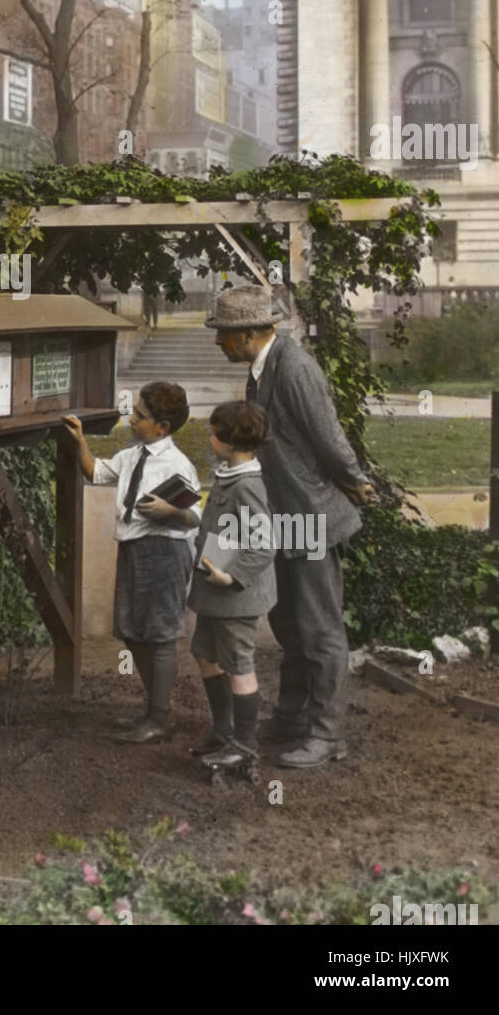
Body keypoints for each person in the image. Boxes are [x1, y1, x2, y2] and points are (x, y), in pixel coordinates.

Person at [207, 285, 376, 768]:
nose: (219, 344)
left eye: (223, 335)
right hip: (282, 517)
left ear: (247, 334)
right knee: (288, 623)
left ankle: (327, 736)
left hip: (312, 517)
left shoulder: (295, 367)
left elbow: (328, 434)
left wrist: (355, 481)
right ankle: (291, 717)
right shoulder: (260, 372)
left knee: (320, 629)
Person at [63, 382, 200, 743]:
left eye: (140, 416)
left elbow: (194, 518)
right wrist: (80, 442)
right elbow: (94, 472)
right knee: (132, 631)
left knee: (160, 634)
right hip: (134, 550)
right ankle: (156, 710)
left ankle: (159, 717)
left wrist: (170, 510)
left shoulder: (178, 465)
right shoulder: (131, 456)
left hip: (165, 552)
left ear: (163, 427)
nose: (132, 419)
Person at [188, 400, 277, 771]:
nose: (210, 437)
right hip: (215, 593)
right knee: (204, 654)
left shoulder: (246, 486)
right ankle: (224, 731)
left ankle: (244, 744)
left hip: (235, 595)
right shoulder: (231, 473)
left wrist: (232, 576)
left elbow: (265, 544)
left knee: (239, 665)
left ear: (227, 440)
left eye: (214, 432)